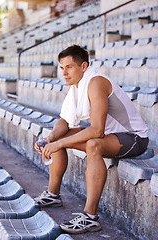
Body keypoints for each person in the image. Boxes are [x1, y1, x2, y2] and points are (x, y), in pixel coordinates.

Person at [34, 45, 149, 234]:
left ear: (83, 66)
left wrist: (60, 142)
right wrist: (50, 138)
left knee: (93, 144)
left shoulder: (96, 82)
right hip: (110, 136)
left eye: (69, 67)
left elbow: (96, 130)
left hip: (134, 138)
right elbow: (65, 121)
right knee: (59, 136)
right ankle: (53, 195)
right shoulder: (77, 85)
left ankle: (90, 217)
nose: (64, 72)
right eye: (62, 67)